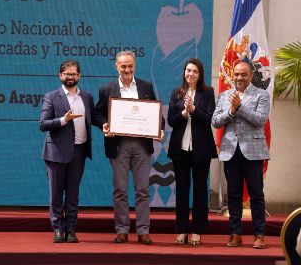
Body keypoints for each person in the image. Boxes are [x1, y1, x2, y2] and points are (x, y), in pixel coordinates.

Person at [94, 50, 164, 245]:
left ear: (135, 66)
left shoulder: (146, 87)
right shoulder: (107, 89)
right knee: (120, 190)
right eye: (123, 66)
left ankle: (143, 231)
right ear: (116, 66)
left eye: (130, 66)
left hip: (142, 145)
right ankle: (122, 230)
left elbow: (157, 114)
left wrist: (160, 129)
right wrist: (104, 125)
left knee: (143, 190)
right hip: (119, 145)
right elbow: (97, 114)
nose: (127, 69)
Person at [212, 61, 270, 249]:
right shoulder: (224, 96)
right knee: (234, 195)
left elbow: (260, 120)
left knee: (256, 195)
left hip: (253, 151)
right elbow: (216, 121)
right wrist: (230, 110)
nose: (239, 78)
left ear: (251, 76)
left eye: (243, 75)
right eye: (236, 74)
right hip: (230, 151)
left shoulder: (261, 94)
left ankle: (259, 235)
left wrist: (240, 107)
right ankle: (235, 234)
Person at [40, 60, 94, 243]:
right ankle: (58, 229)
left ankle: (71, 229)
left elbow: (93, 119)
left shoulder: (87, 97)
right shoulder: (51, 97)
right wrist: (63, 120)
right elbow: (43, 124)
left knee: (72, 194)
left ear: (79, 76)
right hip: (55, 153)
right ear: (60, 75)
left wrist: (107, 126)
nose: (70, 77)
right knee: (55, 194)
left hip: (79, 152)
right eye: (66, 74)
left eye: (73, 74)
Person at [167, 58, 217, 246]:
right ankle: (181, 230)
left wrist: (194, 110)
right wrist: (183, 113)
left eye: (195, 71)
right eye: (188, 70)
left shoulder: (207, 93)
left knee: (199, 190)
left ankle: (197, 231)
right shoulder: (177, 93)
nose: (191, 74)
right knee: (181, 191)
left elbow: (210, 119)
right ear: (184, 73)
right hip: (180, 150)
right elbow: (171, 121)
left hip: (201, 150)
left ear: (200, 74)